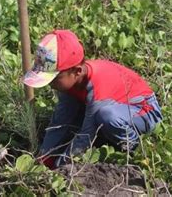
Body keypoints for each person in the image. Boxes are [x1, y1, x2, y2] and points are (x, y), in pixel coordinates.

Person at [23, 29, 163, 169]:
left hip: (144, 110)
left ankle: (134, 151)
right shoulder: (71, 81)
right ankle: (107, 138)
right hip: (114, 107)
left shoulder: (98, 88)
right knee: (73, 119)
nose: (50, 84)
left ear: (77, 71)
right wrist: (43, 160)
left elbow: (85, 136)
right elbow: (59, 123)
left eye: (54, 78)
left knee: (106, 116)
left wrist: (60, 168)